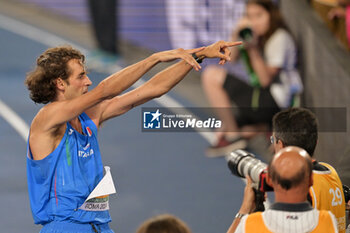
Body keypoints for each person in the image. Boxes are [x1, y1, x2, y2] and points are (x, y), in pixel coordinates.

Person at [25, 40, 242, 233]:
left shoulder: (89, 118)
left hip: (98, 225)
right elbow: (105, 90)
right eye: (81, 76)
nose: (88, 81)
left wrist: (198, 55)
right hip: (65, 227)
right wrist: (154, 58)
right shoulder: (47, 118)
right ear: (60, 83)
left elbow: (154, 88)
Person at [201, 0, 302, 157]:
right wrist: (236, 34)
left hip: (277, 102)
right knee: (221, 130)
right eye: (249, 16)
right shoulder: (256, 36)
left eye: (259, 16)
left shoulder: (280, 38)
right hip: (262, 99)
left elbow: (264, 80)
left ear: (271, 15)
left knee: (211, 75)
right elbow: (231, 58)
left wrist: (253, 49)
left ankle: (238, 136)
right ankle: (262, 129)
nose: (254, 21)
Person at [227, 146, 338, 233]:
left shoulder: (251, 225)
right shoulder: (327, 221)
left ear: (269, 180)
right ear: (310, 181)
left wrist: (244, 211)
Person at [272, 107, 346, 233]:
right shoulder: (331, 172)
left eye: (273, 140)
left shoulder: (298, 185)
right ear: (316, 142)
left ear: (281, 145)